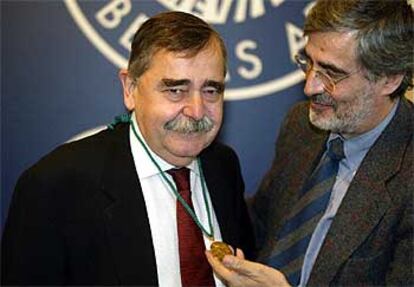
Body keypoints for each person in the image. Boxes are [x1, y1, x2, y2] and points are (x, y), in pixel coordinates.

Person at [1, 11, 254, 286]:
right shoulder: (55, 186)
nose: (196, 110)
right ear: (130, 88)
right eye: (175, 90)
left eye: (211, 91)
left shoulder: (224, 166)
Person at [206, 0, 413, 286]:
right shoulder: (301, 125)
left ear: (389, 79)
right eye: (308, 62)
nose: (310, 86)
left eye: (331, 73)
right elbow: (260, 227)